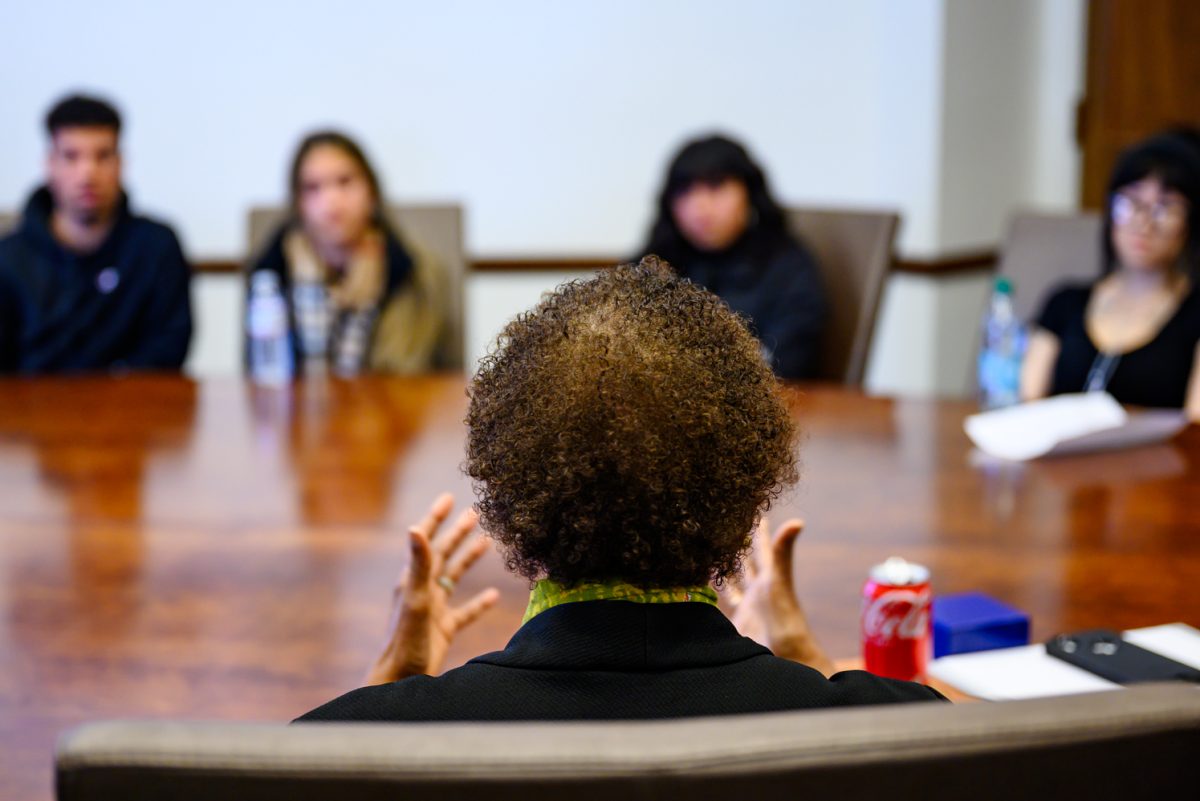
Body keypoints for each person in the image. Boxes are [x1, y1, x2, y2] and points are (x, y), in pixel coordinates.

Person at [298, 258, 943, 723]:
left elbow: (316, 768)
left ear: (508, 503)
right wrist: (808, 663)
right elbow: (880, 750)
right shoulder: (919, 738)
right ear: (747, 499)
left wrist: (394, 682)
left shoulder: (362, 740)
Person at [0, 94, 192, 373]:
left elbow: (168, 349)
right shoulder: (10, 258)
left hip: (133, 409)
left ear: (120, 163)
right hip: (32, 411)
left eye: (102, 156)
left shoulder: (156, 247)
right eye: (71, 156)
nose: (87, 173)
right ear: (50, 164)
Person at [1021, 131, 1200, 418]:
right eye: (1130, 203)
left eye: (1165, 208)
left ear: (1190, 223)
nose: (1143, 223)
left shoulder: (1194, 313)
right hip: (1061, 458)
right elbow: (1028, 402)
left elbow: (1195, 427)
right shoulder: (1065, 301)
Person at [247, 131, 446, 376]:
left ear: (371, 191)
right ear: (297, 203)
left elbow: (416, 376)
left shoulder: (415, 272)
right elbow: (260, 370)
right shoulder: (271, 274)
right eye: (313, 188)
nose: (331, 201)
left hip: (385, 410)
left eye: (345, 182)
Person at [639, 134, 827, 380]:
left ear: (749, 191)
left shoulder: (787, 265)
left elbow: (789, 360)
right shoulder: (656, 260)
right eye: (684, 190)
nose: (699, 207)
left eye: (716, 187)